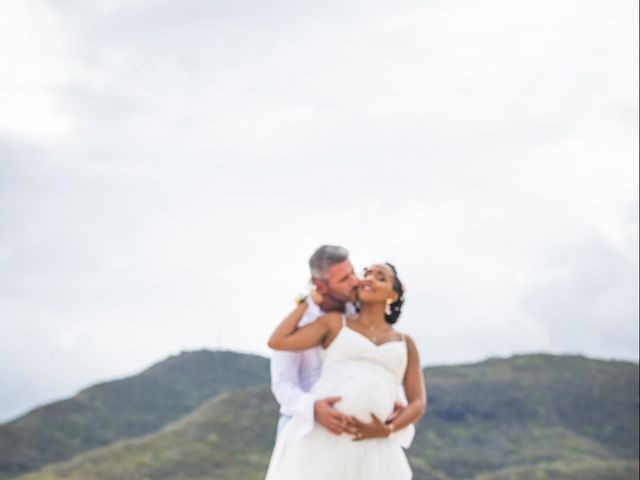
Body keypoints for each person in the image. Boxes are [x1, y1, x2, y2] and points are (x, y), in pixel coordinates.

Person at [265, 262, 427, 480]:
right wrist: (308, 301)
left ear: (394, 295)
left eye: (380, 277)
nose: (369, 278)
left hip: (375, 445)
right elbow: (278, 341)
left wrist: (387, 429)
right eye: (366, 274)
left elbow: (417, 402)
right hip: (325, 435)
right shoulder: (334, 323)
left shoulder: (406, 343)